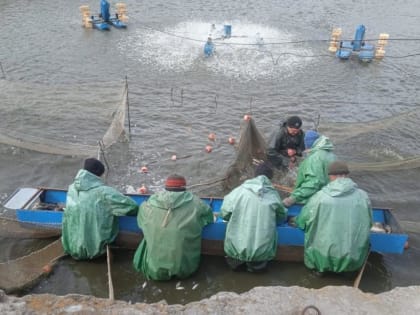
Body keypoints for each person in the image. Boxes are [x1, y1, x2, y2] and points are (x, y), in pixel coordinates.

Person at [295, 161, 373, 273]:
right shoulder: (363, 196)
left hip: (322, 259)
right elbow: (369, 222)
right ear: (347, 175)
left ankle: (321, 271)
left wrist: (298, 221)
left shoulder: (320, 197)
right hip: (352, 260)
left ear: (331, 176)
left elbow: (303, 222)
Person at [133, 174, 214, 280]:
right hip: (185, 270)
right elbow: (209, 217)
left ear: (166, 187)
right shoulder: (197, 203)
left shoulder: (148, 205)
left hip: (152, 270)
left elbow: (141, 221)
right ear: (184, 188)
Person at [62, 158, 138, 260]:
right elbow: (132, 207)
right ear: (98, 175)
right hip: (94, 252)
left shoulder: (71, 188)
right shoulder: (104, 192)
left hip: (71, 248)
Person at [220, 162, 287, 272]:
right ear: (270, 178)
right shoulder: (273, 195)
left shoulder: (238, 191)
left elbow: (224, 213)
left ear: (255, 175)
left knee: (235, 274)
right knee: (258, 274)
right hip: (260, 252)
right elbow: (281, 217)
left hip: (235, 249)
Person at [282, 130, 336, 207]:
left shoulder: (315, 158)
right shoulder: (331, 154)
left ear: (308, 144)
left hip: (318, 200)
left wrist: (293, 198)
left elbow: (313, 184)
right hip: (330, 195)